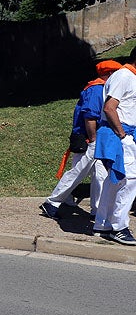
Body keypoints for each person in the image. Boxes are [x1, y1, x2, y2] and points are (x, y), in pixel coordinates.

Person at [41, 60, 121, 220]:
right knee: (79, 171)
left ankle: (97, 210)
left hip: (95, 137)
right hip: (90, 138)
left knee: (100, 174)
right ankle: (52, 202)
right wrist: (92, 139)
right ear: (110, 74)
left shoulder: (101, 88)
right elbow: (90, 116)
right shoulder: (97, 90)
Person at [93, 51, 136, 245]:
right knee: (129, 180)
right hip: (121, 133)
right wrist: (123, 135)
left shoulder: (127, 76)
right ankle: (119, 226)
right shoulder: (124, 76)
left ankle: (103, 223)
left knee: (115, 180)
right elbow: (110, 107)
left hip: (122, 133)